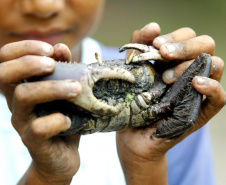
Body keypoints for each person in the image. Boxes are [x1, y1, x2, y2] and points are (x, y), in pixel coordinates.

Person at [0, 0, 225, 185]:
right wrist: (47, 176)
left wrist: (146, 165)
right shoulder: (54, 104)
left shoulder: (169, 105)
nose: (44, 6)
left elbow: (195, 76)